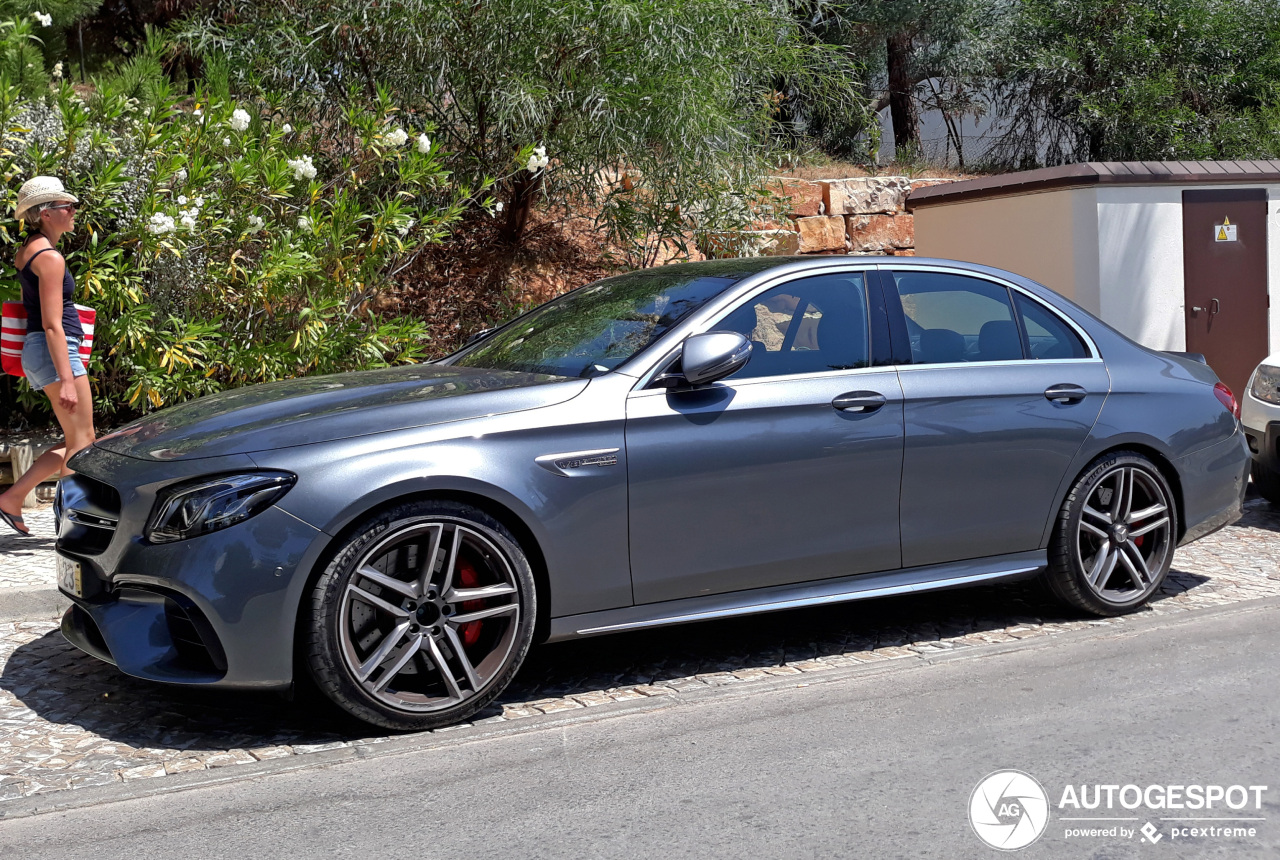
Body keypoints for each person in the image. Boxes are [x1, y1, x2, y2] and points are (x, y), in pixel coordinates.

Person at [0, 176, 95, 536]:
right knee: (84, 442)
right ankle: (72, 525)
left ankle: (13, 497)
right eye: (65, 206)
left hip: (44, 350)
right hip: (56, 350)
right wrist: (67, 379)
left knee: (80, 440)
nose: (73, 211)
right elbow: (53, 324)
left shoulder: (30, 248)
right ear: (45, 213)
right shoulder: (50, 258)